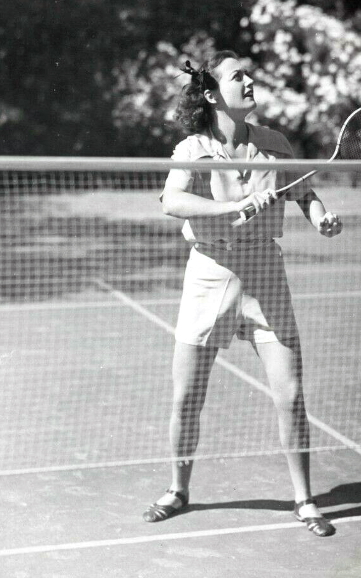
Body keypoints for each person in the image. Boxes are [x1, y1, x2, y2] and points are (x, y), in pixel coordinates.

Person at [142, 51, 342, 537]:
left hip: (265, 276)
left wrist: (319, 216)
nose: (250, 81)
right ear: (212, 95)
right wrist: (234, 203)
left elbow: (303, 192)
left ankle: (305, 499)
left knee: (291, 396)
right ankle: (178, 489)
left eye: (249, 74)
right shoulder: (192, 147)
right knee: (187, 397)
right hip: (209, 274)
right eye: (238, 77)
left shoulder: (274, 143)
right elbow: (172, 201)